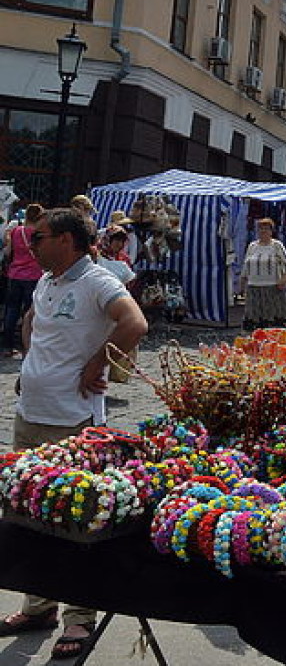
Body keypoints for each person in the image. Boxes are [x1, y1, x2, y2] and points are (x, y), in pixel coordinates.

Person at [0, 207, 148, 658]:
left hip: (73, 420)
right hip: (31, 412)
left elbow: (135, 323)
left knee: (72, 518)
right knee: (26, 514)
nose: (31, 243)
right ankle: (38, 605)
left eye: (39, 237)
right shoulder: (47, 280)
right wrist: (33, 364)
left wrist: (97, 362)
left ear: (66, 239)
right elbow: (31, 322)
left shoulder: (96, 281)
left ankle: (79, 618)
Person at [2, 203, 44, 359]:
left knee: (11, 310)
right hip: (33, 275)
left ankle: (7, 346)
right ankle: (26, 345)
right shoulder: (39, 234)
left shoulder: (16, 231)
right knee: (29, 312)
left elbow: (8, 251)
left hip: (15, 274)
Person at [239, 218, 286, 331]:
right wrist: (242, 283)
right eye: (260, 229)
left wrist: (284, 279)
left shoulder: (277, 245)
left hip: (272, 288)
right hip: (254, 288)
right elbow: (246, 265)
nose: (263, 231)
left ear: (271, 231)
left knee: (274, 321)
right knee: (254, 321)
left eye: (266, 229)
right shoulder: (252, 246)